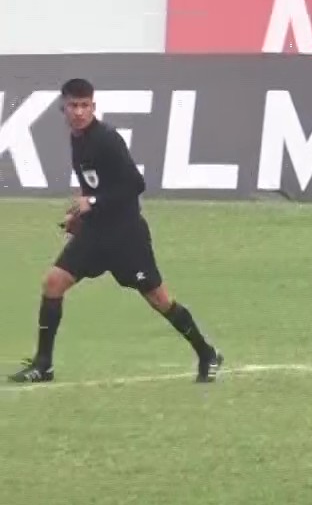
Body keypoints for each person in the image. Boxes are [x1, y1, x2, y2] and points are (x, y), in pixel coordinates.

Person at [11, 78, 221, 385]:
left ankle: (207, 352)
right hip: (96, 233)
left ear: (93, 106)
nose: (79, 112)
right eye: (73, 105)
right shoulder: (77, 139)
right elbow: (95, 183)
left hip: (126, 236)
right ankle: (44, 364)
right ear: (63, 108)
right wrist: (78, 215)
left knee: (159, 299)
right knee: (53, 283)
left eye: (85, 105)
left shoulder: (107, 139)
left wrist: (93, 202)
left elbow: (135, 184)